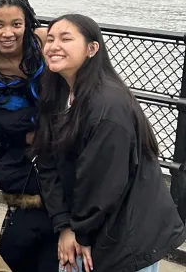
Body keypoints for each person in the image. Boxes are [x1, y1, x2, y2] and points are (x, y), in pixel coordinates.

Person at [33, 14, 186, 272]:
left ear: (92, 49)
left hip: (127, 236)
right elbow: (47, 163)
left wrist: (80, 233)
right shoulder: (58, 93)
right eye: (50, 39)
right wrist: (64, 225)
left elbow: (102, 183)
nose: (53, 46)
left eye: (66, 38)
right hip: (86, 225)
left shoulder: (108, 106)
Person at [0, 0, 56, 271]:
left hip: (60, 151)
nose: (8, 33)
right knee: (19, 247)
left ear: (28, 24)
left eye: (16, 24)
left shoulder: (45, 43)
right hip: (21, 165)